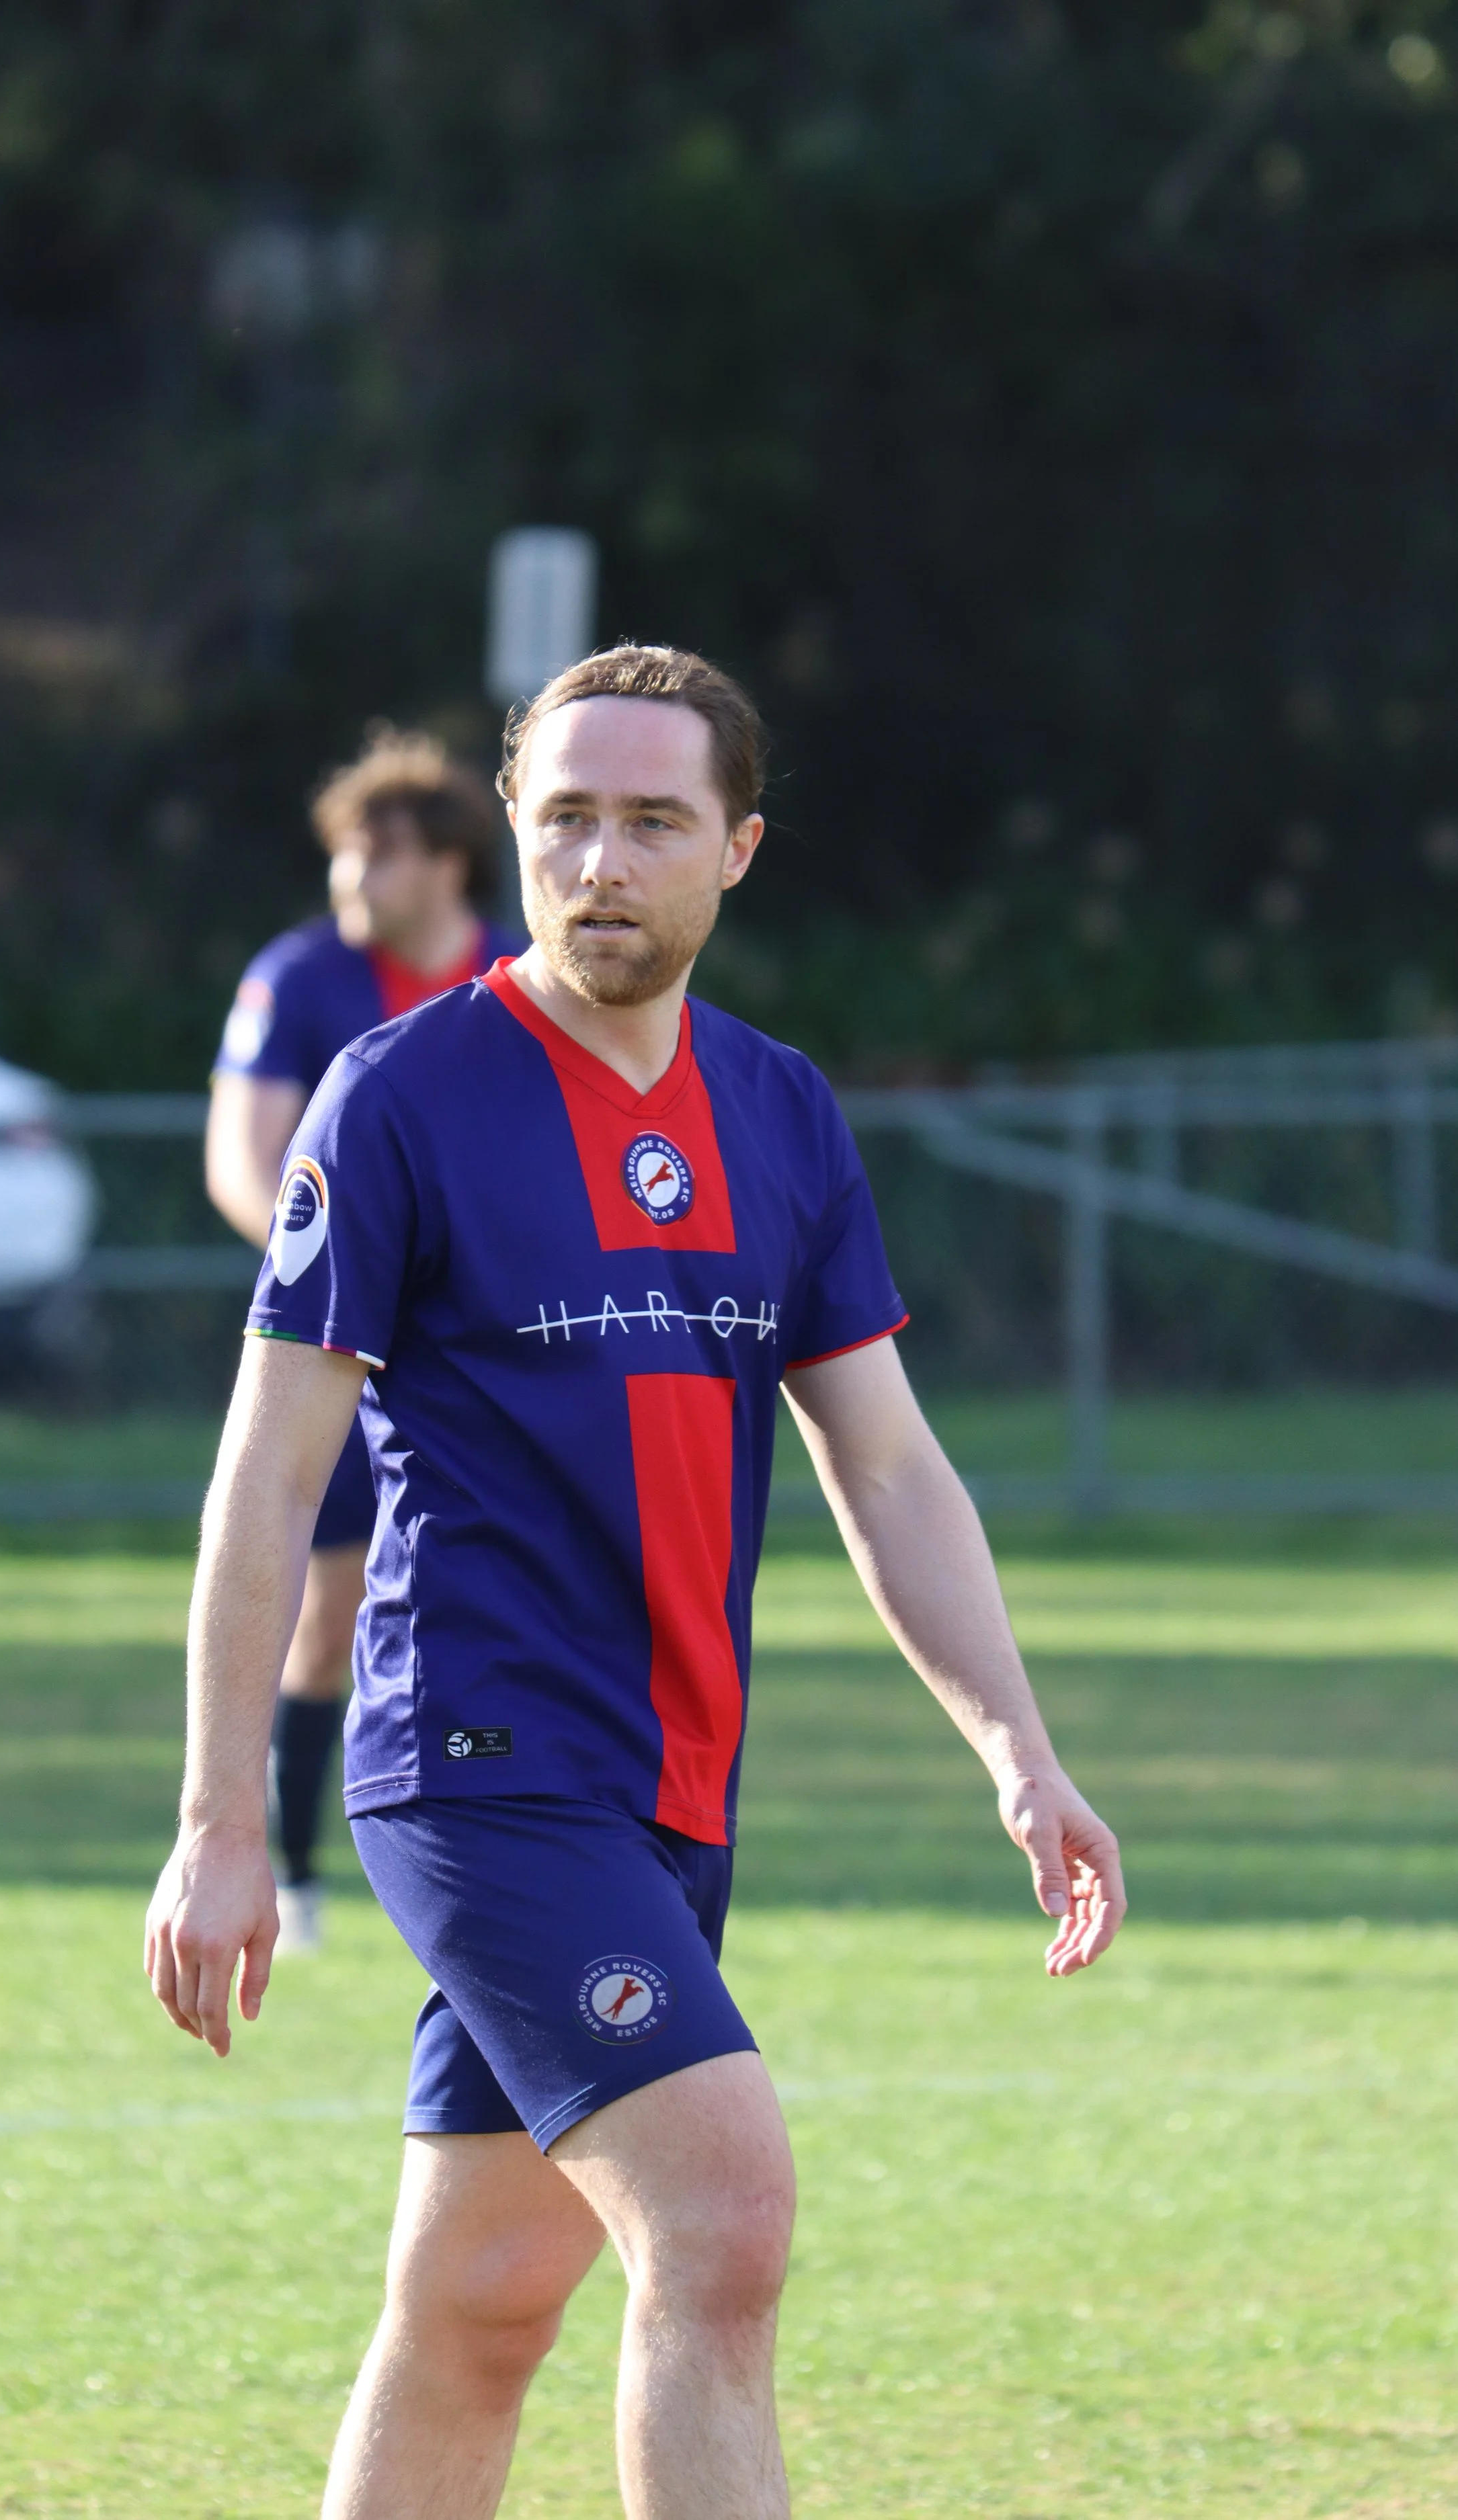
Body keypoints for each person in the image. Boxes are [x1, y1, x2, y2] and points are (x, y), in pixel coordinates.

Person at [149, 644, 1126, 2519]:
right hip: (475, 1761)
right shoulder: (399, 1094)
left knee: (482, 2302)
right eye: (565, 817)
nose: (602, 859)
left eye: (653, 820)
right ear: (513, 833)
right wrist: (217, 1819)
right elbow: (265, 1480)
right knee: (722, 2207)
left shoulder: (777, 1110)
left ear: (736, 848)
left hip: (670, 1778)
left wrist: (1017, 1744)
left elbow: (888, 1461)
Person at [205, 726, 518, 1950]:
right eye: (340, 856)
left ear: (446, 863)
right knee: (326, 1616)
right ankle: (292, 1869)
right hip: (348, 1342)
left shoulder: (522, 977)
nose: (348, 882)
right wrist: (347, 1274)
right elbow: (248, 1162)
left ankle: (494, 1856)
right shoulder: (299, 978)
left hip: (492, 1363)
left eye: (375, 856)